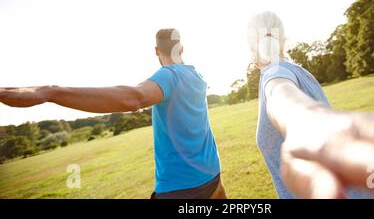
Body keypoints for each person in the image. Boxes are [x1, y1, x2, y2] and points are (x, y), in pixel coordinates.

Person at [0, 28, 227, 199]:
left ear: (156, 51)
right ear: (182, 48)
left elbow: (134, 98)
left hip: (180, 188)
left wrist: (53, 92)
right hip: (211, 176)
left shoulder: (169, 75)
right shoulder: (196, 75)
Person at [248, 11, 374, 199]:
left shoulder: (274, 73)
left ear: (253, 46)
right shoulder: (291, 69)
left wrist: (304, 119)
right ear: (281, 39)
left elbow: (280, 95)